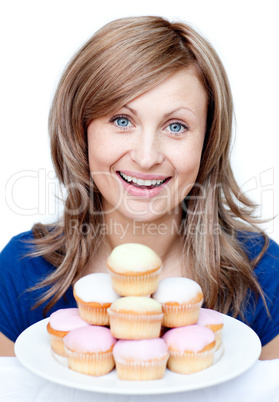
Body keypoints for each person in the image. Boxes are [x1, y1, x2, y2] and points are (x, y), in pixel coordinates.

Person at [1, 16, 279, 359]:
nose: (147, 158)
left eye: (176, 126)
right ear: (80, 129)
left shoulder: (264, 274)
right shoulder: (20, 270)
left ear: (208, 141)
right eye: (122, 120)